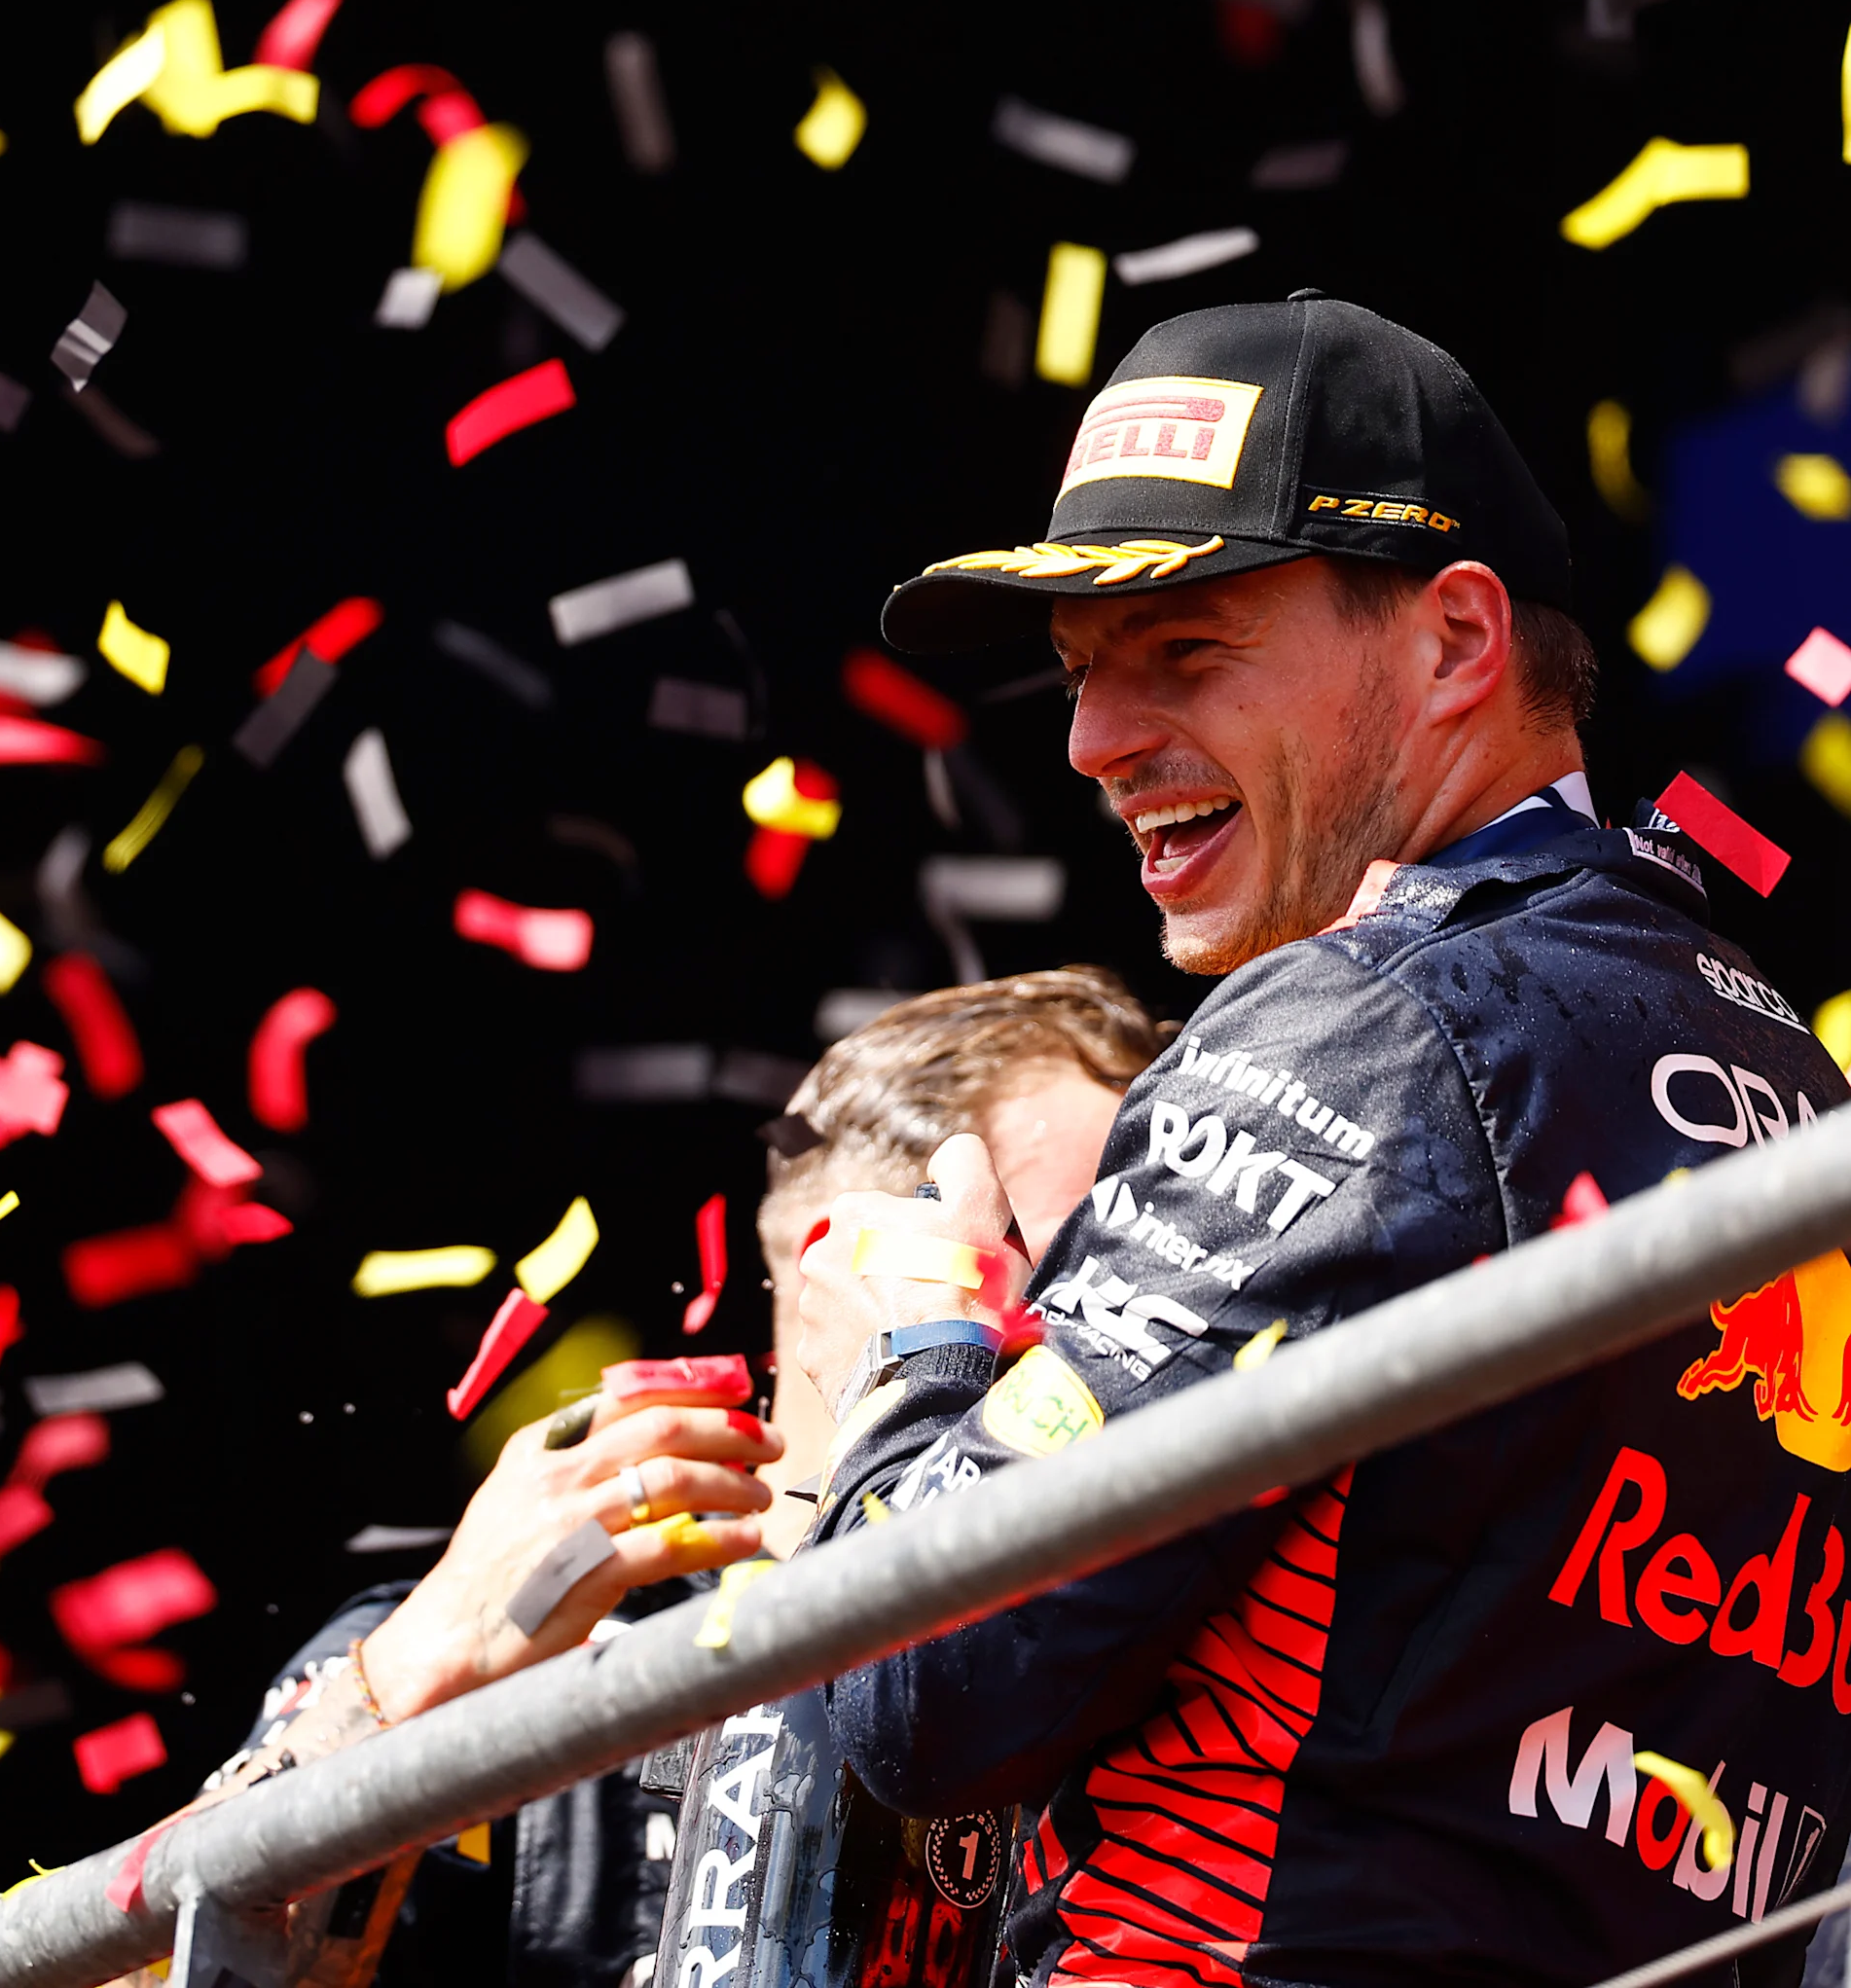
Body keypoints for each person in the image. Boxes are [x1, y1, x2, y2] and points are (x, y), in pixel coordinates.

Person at [780, 292, 1851, 1986]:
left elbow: (923, 1685)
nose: (1089, 741)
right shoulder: (1783, 1067)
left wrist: (913, 1345)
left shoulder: (1366, 1017)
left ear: (1451, 642)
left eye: (1184, 652)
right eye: (1075, 675)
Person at [145, 972, 1165, 1988]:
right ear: (850, 1258)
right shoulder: (529, 1647)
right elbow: (131, 1968)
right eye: (1086, 1254)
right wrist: (415, 1670)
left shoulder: (1154, 1633)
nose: (1150, 1315)